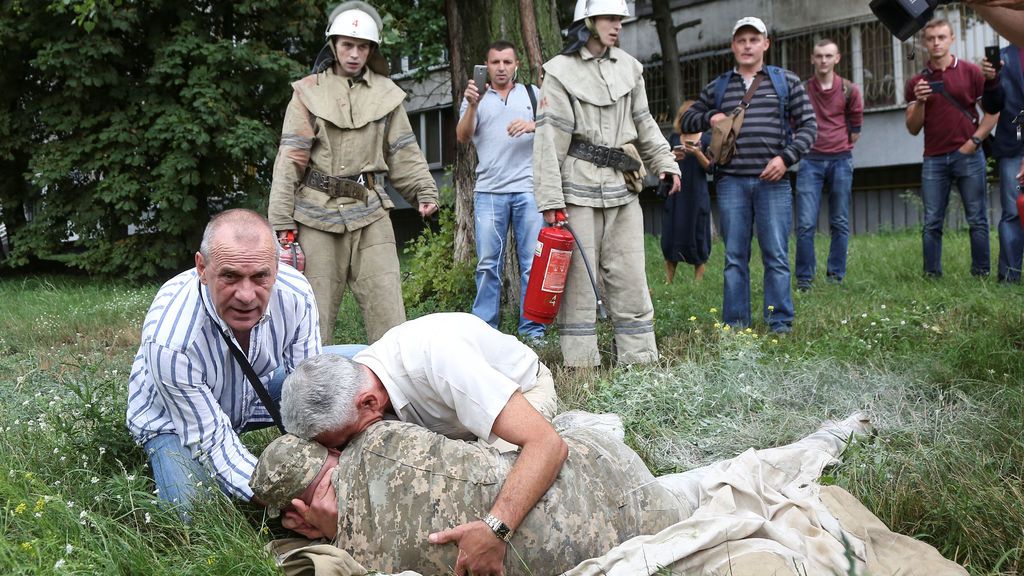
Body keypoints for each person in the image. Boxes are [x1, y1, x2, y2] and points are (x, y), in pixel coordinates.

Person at [248, 413, 962, 576]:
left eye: (328, 480)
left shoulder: (383, 451)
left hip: (604, 486)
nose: (332, 491)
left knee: (721, 493)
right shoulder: (354, 528)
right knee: (712, 489)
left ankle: (823, 441)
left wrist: (494, 528)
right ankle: (822, 441)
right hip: (610, 500)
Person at [279, 312, 566, 576]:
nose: (347, 454)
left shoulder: (441, 361)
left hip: (520, 392)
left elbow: (546, 444)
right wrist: (334, 522)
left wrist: (496, 529)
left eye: (345, 442)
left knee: (489, 498)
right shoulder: (358, 391)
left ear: (369, 403)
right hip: (454, 420)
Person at [125, 209, 329, 510]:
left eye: (260, 276)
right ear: (202, 268)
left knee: (356, 370)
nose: (246, 295)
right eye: (230, 276)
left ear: (276, 268)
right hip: (174, 418)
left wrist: (329, 470)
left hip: (254, 390)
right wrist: (293, 500)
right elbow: (213, 443)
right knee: (196, 510)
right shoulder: (172, 340)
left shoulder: (296, 293)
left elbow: (312, 389)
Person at [268, 2, 439, 346]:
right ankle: (308, 391)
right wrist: (282, 221)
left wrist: (424, 190)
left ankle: (393, 390)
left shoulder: (386, 94)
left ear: (371, 50)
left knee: (388, 308)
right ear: (333, 45)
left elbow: (404, 150)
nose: (354, 54)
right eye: (347, 45)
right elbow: (291, 158)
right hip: (316, 216)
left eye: (362, 47)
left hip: (371, 212)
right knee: (311, 315)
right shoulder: (308, 92)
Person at [532, 0, 681, 367]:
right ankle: (581, 366)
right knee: (579, 283)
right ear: (588, 20)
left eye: (620, 19)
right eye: (610, 18)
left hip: (623, 187)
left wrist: (664, 163)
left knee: (630, 274)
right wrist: (551, 199)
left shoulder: (630, 69)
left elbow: (645, 124)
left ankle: (640, 360)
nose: (618, 26)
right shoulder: (560, 72)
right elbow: (549, 139)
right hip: (576, 191)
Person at [681, 17, 817, 333]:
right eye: (741, 40)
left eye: (754, 40)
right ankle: (736, 324)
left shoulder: (785, 81)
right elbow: (687, 120)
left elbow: (809, 126)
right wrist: (710, 116)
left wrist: (785, 159)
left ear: (765, 44)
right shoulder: (719, 86)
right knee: (734, 258)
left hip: (775, 183)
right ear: (733, 46)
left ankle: (779, 323)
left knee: (776, 256)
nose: (747, 46)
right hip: (730, 182)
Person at [455, 40, 546, 342]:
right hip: (490, 192)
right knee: (487, 265)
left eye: (507, 62)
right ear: (487, 65)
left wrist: (532, 125)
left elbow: (557, 127)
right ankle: (485, 332)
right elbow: (463, 136)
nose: (502, 68)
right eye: (495, 63)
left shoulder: (533, 94)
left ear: (516, 65)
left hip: (528, 190)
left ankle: (533, 330)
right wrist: (472, 105)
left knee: (532, 264)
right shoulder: (476, 98)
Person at [904, 19, 999, 278]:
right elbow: (912, 128)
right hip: (933, 158)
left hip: (969, 154)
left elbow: (992, 114)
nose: (936, 42)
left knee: (977, 219)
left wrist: (974, 142)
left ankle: (981, 274)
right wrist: (921, 102)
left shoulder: (971, 72)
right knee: (932, 223)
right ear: (925, 43)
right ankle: (931, 275)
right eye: (931, 38)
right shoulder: (917, 82)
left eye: (942, 37)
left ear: (952, 39)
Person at [795, 39, 864, 291]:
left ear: (837, 58)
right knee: (805, 224)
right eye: (818, 56)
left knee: (840, 222)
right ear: (812, 59)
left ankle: (835, 277)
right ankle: (804, 280)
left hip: (841, 161)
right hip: (810, 160)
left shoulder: (849, 90)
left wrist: (839, 144)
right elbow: (794, 121)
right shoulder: (802, 90)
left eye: (828, 56)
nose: (823, 60)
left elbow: (856, 126)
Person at [663, 101, 712, 283]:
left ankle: (698, 283)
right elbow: (662, 166)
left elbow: (711, 168)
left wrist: (698, 153)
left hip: (697, 194)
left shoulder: (706, 138)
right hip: (676, 194)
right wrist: (672, 158)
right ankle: (668, 280)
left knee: (698, 233)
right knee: (672, 234)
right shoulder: (674, 138)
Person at [989, 43, 1024, 282]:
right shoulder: (1002, 57)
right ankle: (1009, 279)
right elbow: (991, 106)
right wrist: (990, 81)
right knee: (1012, 212)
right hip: (1013, 146)